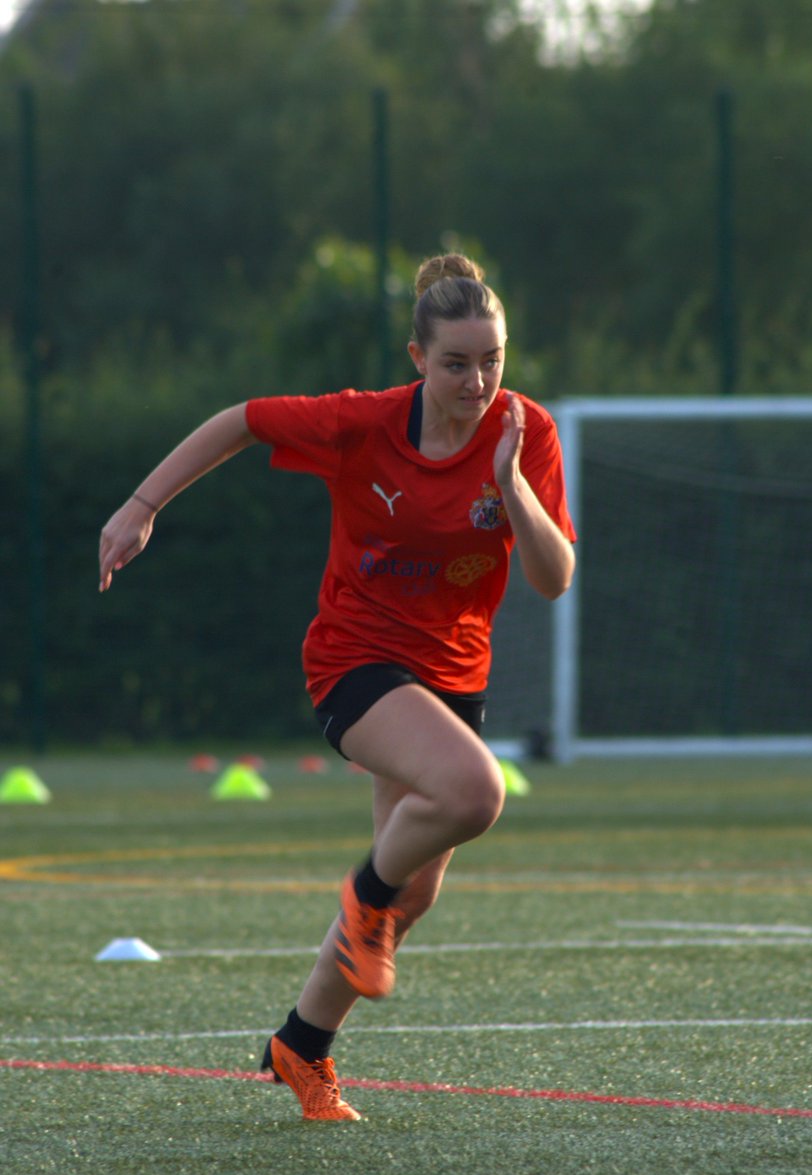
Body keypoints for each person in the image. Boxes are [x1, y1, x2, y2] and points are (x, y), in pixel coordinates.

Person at [98, 253, 576, 1121]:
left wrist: (510, 487)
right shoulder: (362, 424)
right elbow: (241, 419)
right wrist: (142, 504)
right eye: (455, 363)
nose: (477, 380)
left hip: (453, 674)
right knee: (472, 793)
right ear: (415, 359)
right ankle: (360, 905)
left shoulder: (524, 432)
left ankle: (301, 1046)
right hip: (355, 658)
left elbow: (552, 578)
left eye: (492, 359)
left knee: (416, 890)